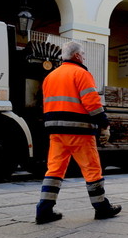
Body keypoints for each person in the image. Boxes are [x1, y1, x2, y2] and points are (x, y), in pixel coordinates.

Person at [35, 41, 121, 224]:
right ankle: (102, 208)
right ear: (76, 56)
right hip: (79, 131)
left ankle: (44, 210)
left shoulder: (50, 76)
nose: (84, 56)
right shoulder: (82, 73)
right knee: (91, 169)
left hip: (56, 132)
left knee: (55, 169)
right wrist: (104, 124)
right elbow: (92, 103)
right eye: (82, 53)